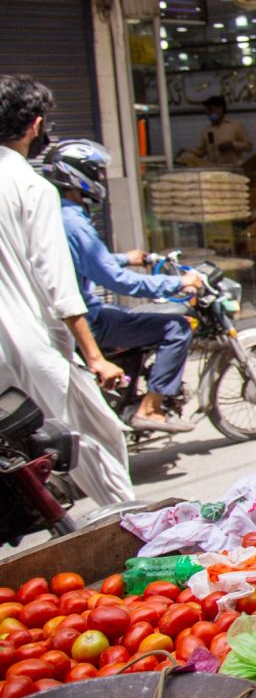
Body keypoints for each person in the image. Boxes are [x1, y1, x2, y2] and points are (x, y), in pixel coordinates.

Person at [0, 75, 134, 505]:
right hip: (29, 345)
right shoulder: (32, 187)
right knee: (93, 440)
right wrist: (95, 357)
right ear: (35, 125)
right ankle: (130, 527)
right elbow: (58, 284)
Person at [46, 140, 203, 433]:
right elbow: (117, 281)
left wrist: (126, 258)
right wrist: (177, 282)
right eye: (96, 172)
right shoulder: (74, 222)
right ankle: (151, 408)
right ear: (80, 175)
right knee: (177, 327)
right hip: (86, 319)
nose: (100, 179)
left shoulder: (54, 211)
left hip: (66, 318)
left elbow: (85, 259)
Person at [185, 96, 252, 166]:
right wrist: (187, 152)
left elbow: (248, 146)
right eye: (206, 111)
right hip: (213, 170)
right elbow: (201, 151)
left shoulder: (235, 126)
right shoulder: (207, 130)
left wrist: (232, 145)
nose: (208, 113)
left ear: (220, 109)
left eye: (210, 110)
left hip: (232, 169)